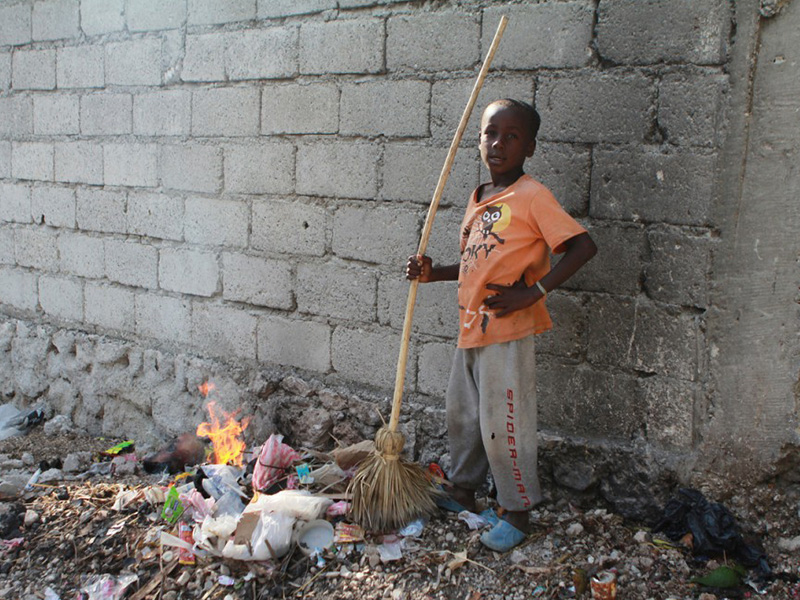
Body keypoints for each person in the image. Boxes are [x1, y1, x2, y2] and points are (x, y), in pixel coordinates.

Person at [407, 98, 597, 551]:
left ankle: (517, 511)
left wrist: (534, 292)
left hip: (507, 332)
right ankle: (463, 490)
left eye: (512, 137)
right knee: (463, 415)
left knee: (503, 423)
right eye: (490, 134)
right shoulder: (479, 199)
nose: (498, 144)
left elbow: (583, 247)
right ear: (479, 140)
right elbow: (477, 264)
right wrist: (434, 273)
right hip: (472, 328)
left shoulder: (532, 196)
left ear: (529, 147)